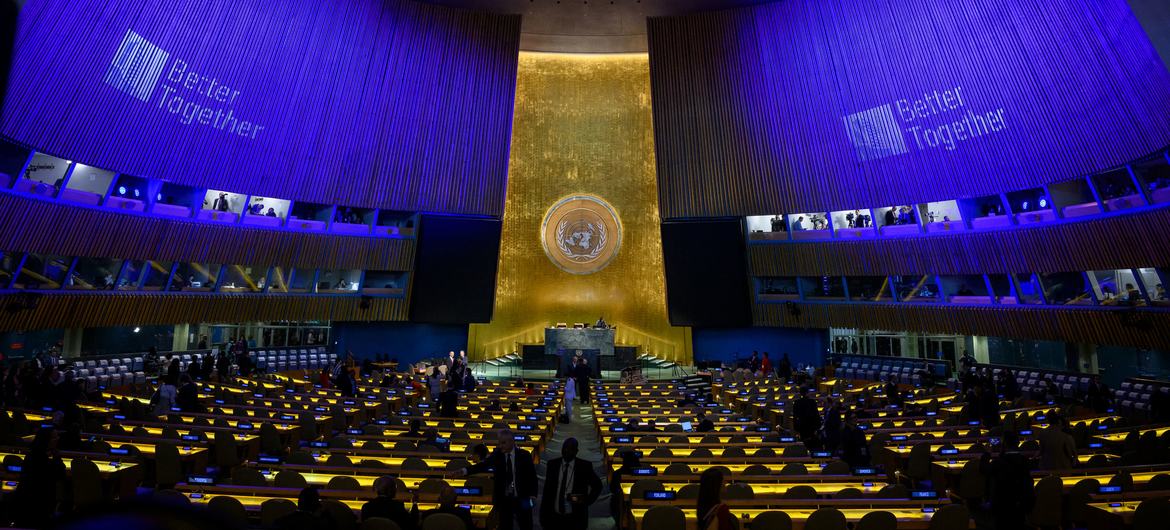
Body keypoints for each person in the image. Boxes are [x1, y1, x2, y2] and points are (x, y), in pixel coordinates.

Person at [452, 429, 538, 530]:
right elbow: (483, 466)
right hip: (504, 499)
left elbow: (532, 476)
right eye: (499, 443)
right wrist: (464, 471)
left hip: (523, 497)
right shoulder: (497, 454)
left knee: (526, 525)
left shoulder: (525, 455)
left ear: (512, 442)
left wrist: (533, 495)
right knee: (505, 526)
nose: (500, 446)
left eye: (503, 443)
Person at [8, 427, 66, 527]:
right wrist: (57, 456)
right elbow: (60, 474)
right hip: (37, 506)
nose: (58, 439)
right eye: (54, 437)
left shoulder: (33, 454)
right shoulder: (41, 458)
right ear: (46, 440)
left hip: (26, 503)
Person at [540, 438, 602, 530]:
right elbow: (547, 491)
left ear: (576, 451)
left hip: (576, 518)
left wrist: (585, 501)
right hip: (553, 517)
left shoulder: (584, 466)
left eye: (570, 449)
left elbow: (598, 486)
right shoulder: (552, 464)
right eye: (564, 448)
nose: (566, 451)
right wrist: (543, 515)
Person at [609, 451, 641, 524]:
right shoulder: (644, 474)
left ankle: (619, 521)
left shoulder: (617, 474)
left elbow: (612, 489)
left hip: (620, 503)